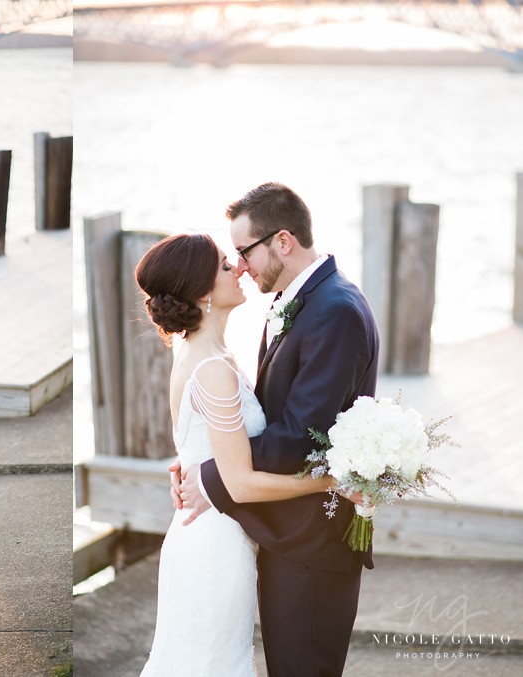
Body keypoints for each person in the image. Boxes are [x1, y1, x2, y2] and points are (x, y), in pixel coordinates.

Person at [175, 182, 380, 676]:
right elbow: (271, 414)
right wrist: (205, 454)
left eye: (244, 251)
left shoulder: (335, 311)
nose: (240, 265)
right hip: (289, 530)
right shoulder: (305, 299)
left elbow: (298, 438)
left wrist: (213, 476)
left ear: (282, 242)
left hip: (313, 541)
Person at [134, 232, 338, 676]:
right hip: (215, 548)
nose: (239, 269)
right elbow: (241, 485)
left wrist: (192, 468)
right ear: (204, 292)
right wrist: (332, 481)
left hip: (203, 534)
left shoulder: (197, 350)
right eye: (227, 266)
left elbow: (194, 445)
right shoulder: (212, 369)